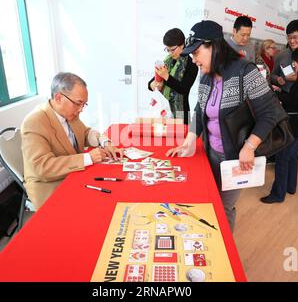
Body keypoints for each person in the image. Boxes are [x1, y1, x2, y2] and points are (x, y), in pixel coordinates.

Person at [166, 20, 279, 231]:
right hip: (211, 154)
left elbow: (269, 113)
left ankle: (223, 257)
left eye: (197, 52)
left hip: (235, 158)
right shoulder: (206, 75)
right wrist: (189, 141)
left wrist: (249, 147)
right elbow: (200, 110)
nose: (194, 59)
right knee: (208, 202)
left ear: (213, 46)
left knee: (224, 207)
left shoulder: (245, 71)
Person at [21, 72, 123, 209]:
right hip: (50, 185)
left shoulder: (69, 113)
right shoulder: (34, 122)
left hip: (73, 174)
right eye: (78, 103)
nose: (81, 110)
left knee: (113, 193)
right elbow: (42, 167)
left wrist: (105, 142)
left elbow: (85, 133)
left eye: (84, 104)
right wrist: (87, 158)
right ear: (58, 98)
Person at [261, 44, 298, 204]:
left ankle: (278, 194)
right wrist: (281, 92)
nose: (293, 65)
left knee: (282, 157)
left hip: (295, 122)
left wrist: (276, 95)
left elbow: (297, 102)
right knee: (291, 156)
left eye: (296, 62)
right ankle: (290, 186)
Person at [148, 28, 198, 124]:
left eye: (173, 49)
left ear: (182, 45)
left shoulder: (192, 65)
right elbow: (152, 82)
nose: (170, 53)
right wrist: (152, 84)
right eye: (168, 50)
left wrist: (166, 77)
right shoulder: (167, 61)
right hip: (163, 113)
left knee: (180, 138)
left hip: (181, 114)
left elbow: (183, 89)